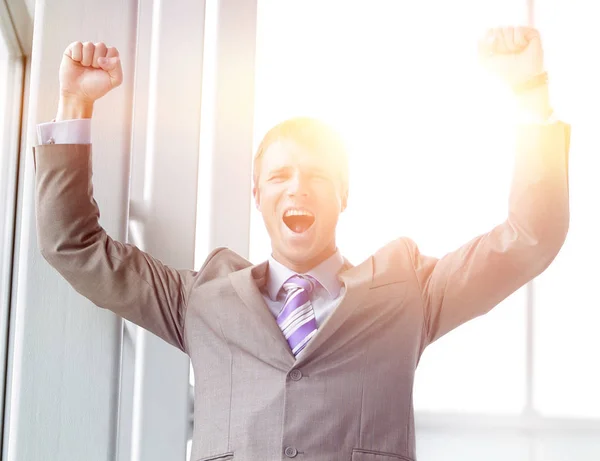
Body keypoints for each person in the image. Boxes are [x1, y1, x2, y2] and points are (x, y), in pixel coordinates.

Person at [34, 27, 569, 461]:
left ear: (343, 195)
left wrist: (529, 96)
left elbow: (529, 237)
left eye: (316, 175)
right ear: (258, 195)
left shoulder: (409, 294)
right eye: (280, 176)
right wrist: (74, 103)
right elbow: (74, 245)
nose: (298, 187)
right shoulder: (200, 302)